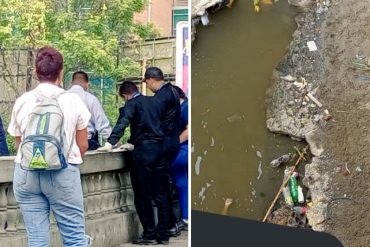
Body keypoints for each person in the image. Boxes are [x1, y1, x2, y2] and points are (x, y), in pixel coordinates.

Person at [8, 46, 92, 247]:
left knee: (37, 240)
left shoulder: (22, 101)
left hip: (26, 173)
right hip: (62, 172)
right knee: (74, 239)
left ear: (36, 73)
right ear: (61, 72)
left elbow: (19, 144)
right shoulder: (73, 100)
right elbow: (83, 145)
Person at [98, 81, 170, 245]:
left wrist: (110, 143)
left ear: (125, 95)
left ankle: (149, 235)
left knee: (142, 194)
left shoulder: (132, 103)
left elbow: (124, 122)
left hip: (144, 152)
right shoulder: (154, 101)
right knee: (161, 193)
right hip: (161, 149)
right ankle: (163, 235)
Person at [143, 67, 181, 236]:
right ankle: (172, 223)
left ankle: (165, 228)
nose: (148, 86)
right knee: (165, 185)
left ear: (151, 80)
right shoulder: (172, 91)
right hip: (172, 142)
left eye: (147, 83)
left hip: (163, 145)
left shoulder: (161, 97)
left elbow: (154, 123)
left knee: (160, 188)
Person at [68, 71, 112, 150]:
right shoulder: (90, 98)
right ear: (87, 84)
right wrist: (112, 142)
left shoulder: (60, 98)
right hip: (86, 143)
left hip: (65, 144)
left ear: (71, 83)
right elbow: (102, 123)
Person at [171, 85, 189, 230]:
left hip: (184, 149)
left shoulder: (185, 108)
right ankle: (186, 217)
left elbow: (190, 131)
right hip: (183, 149)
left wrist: (173, 144)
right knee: (181, 182)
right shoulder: (181, 108)